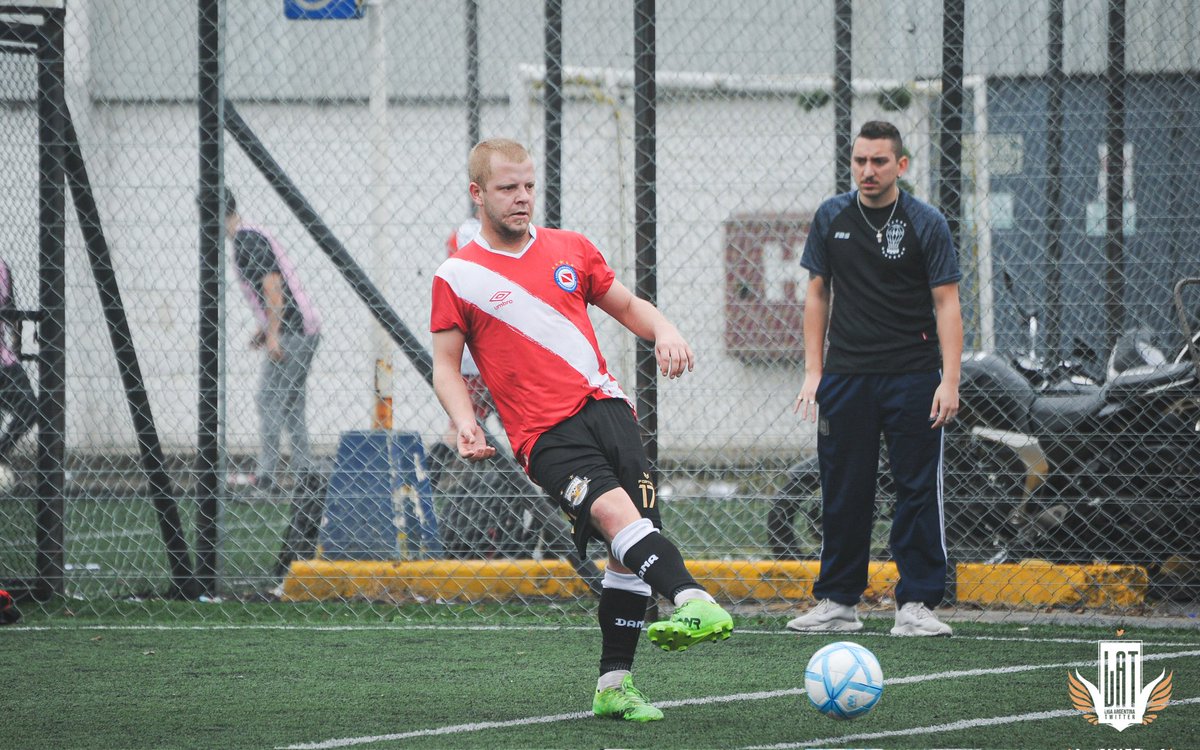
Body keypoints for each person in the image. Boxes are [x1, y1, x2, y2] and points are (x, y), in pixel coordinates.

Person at [430, 138, 734, 722]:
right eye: (506, 188)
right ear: (477, 194)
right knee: (620, 520)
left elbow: (626, 305)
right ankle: (695, 599)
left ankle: (613, 685)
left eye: (527, 186)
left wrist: (665, 329)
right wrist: (465, 422)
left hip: (610, 410)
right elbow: (446, 363)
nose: (521, 199)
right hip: (544, 434)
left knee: (630, 549)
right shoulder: (457, 276)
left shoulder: (571, 248)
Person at [788, 120, 962, 637]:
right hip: (846, 377)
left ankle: (915, 606)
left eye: (879, 161)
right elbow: (817, 293)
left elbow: (947, 302)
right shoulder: (831, 216)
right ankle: (839, 602)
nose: (868, 170)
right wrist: (814, 371)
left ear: (900, 166)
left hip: (914, 376)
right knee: (844, 489)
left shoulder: (926, 223)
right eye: (861, 160)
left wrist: (949, 380)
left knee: (915, 491)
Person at [225, 192, 322, 493]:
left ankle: (267, 477)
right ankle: (306, 475)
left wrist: (274, 334)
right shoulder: (251, 236)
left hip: (293, 331)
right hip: (302, 328)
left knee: (268, 398)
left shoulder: (246, 241)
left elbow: (273, 288)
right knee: (292, 402)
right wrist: (264, 328)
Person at [0, 258, 38, 491]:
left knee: (29, 407)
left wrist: (17, 342)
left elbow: (11, 309)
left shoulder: (2, 268)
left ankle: (1, 452)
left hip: (3, 360)